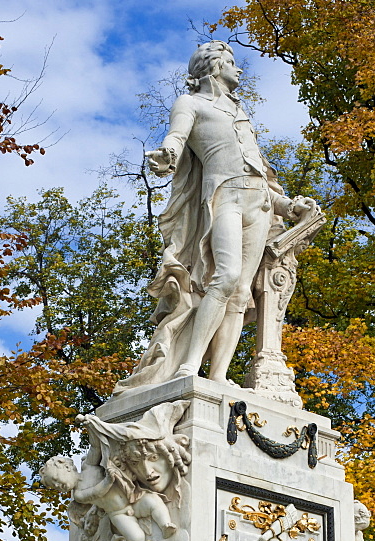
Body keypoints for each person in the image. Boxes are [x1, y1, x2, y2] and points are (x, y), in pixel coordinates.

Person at [114, 41, 310, 392]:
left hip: (260, 205)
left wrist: (290, 207)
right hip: (225, 198)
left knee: (239, 293)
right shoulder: (190, 103)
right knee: (225, 276)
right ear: (214, 66)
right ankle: (188, 367)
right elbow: (176, 138)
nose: (239, 69)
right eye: (232, 62)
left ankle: (218, 376)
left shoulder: (240, 114)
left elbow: (261, 174)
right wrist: (166, 156)